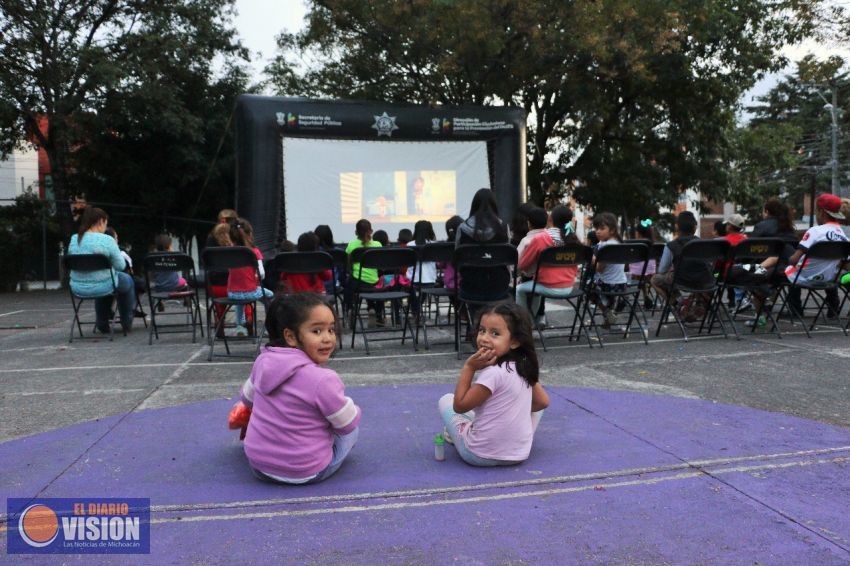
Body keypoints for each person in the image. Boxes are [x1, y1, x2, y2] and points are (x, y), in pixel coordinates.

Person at [228, 293, 361, 484]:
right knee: (351, 431)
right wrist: (353, 408)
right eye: (317, 331)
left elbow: (247, 400)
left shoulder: (262, 362)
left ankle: (267, 450)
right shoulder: (323, 380)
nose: (328, 338)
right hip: (306, 471)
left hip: (259, 467)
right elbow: (347, 424)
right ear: (290, 336)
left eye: (331, 330)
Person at [438, 301, 549, 467]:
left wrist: (469, 368)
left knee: (446, 400)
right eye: (482, 330)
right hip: (518, 454)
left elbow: (459, 406)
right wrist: (513, 412)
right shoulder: (524, 365)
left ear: (515, 341)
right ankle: (513, 438)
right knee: (529, 407)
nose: (484, 338)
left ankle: (456, 434)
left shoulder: (493, 373)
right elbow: (543, 402)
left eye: (495, 333)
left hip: (477, 454)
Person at [67, 207, 135, 334]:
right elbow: (121, 266)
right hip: (104, 285)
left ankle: (102, 322)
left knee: (105, 279)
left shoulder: (74, 239)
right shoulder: (107, 240)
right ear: (101, 221)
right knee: (126, 280)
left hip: (77, 287)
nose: (105, 227)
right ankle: (126, 321)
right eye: (105, 224)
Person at [783, 193, 848, 318]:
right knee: (829, 268)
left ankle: (796, 310)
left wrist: (787, 258)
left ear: (821, 212)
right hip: (828, 279)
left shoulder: (814, 231)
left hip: (805, 277)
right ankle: (833, 306)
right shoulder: (842, 235)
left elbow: (794, 260)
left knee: (789, 270)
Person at [516, 206, 578, 326]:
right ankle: (531, 320)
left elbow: (523, 264)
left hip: (547, 286)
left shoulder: (540, 238)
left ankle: (524, 323)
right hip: (569, 287)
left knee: (520, 289)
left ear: (550, 219)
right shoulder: (573, 239)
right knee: (535, 288)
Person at [455, 188, 511, 309]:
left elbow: (457, 260)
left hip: (470, 288)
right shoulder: (503, 228)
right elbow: (507, 260)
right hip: (499, 289)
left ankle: (475, 320)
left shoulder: (462, 229)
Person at [651, 211, 714, 301]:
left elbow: (662, 270)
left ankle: (678, 303)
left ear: (677, 227)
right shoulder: (703, 243)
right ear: (695, 227)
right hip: (705, 281)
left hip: (682, 281)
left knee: (655, 279)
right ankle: (700, 303)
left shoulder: (671, 246)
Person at [227, 218, 273, 337]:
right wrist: (255, 276)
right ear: (249, 234)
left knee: (240, 300)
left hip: (232, 293)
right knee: (270, 295)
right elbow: (261, 274)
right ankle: (269, 327)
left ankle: (240, 326)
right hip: (251, 292)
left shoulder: (228, 252)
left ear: (231, 237)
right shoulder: (254, 251)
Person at [589, 212, 627, 328]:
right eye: (596, 228)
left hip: (607, 285)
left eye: (602, 228)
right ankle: (609, 317)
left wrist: (592, 258)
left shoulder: (605, 247)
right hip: (622, 285)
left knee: (587, 287)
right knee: (599, 284)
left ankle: (606, 311)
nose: (597, 231)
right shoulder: (619, 243)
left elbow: (599, 269)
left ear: (612, 230)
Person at [345, 219, 384, 324]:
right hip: (375, 282)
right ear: (371, 231)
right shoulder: (378, 245)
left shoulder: (352, 245)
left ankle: (350, 308)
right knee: (380, 287)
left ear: (356, 232)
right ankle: (378, 314)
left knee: (347, 285)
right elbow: (381, 265)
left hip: (357, 282)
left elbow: (348, 264)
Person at [105, 227, 146, 317]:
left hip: (101, 283)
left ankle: (109, 309)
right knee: (141, 283)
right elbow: (129, 269)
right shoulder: (121, 253)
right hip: (119, 282)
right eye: (116, 238)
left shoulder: (99, 252)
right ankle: (132, 307)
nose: (117, 240)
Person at [629, 219, 657, 309]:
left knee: (635, 273)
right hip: (651, 270)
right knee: (642, 276)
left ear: (638, 233)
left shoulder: (637, 244)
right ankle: (646, 296)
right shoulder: (653, 243)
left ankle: (624, 298)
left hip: (638, 272)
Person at [516, 206, 549, 277]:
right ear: (547, 223)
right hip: (548, 277)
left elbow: (517, 264)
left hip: (530, 280)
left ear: (528, 223)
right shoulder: (550, 238)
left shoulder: (526, 241)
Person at [406, 220, 437, 285]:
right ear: (430, 231)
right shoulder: (434, 245)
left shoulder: (409, 245)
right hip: (430, 279)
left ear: (416, 231)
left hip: (412, 280)